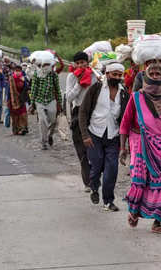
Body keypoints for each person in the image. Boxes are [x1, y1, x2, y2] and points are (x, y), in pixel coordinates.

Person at [119, 62, 161, 234]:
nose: (156, 76)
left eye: (159, 74)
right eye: (153, 74)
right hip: (139, 143)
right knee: (140, 181)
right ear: (147, 76)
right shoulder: (136, 97)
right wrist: (123, 148)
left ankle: (157, 222)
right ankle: (134, 211)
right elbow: (125, 123)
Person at [78, 62, 129, 212]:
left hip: (113, 136)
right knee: (96, 165)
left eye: (120, 75)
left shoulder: (124, 93)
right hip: (94, 134)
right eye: (114, 74)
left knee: (112, 169)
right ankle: (94, 187)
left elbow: (126, 117)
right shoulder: (96, 89)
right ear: (107, 74)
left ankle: (108, 201)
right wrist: (85, 135)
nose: (117, 77)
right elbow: (83, 112)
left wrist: (125, 142)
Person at [66, 51, 97, 192]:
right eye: (78, 63)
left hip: (93, 112)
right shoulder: (71, 77)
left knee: (95, 146)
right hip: (78, 112)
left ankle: (95, 175)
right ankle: (87, 181)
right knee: (81, 149)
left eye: (83, 62)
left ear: (87, 62)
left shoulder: (94, 75)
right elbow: (69, 97)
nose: (80, 65)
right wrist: (79, 84)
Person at [29, 57, 63, 150]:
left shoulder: (54, 75)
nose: (46, 67)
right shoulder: (37, 74)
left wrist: (60, 103)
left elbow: (57, 89)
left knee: (53, 121)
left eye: (48, 65)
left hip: (51, 100)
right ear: (42, 65)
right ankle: (43, 142)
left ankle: (50, 135)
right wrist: (32, 104)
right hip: (39, 101)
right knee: (42, 121)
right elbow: (33, 89)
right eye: (45, 65)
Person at [7, 64, 29, 135]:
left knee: (23, 114)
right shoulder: (11, 79)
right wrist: (8, 100)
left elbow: (26, 89)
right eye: (16, 71)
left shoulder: (23, 79)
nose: (18, 72)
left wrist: (24, 82)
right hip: (13, 100)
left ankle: (23, 128)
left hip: (21, 99)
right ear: (14, 71)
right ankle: (16, 129)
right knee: (15, 116)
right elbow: (9, 90)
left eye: (19, 71)